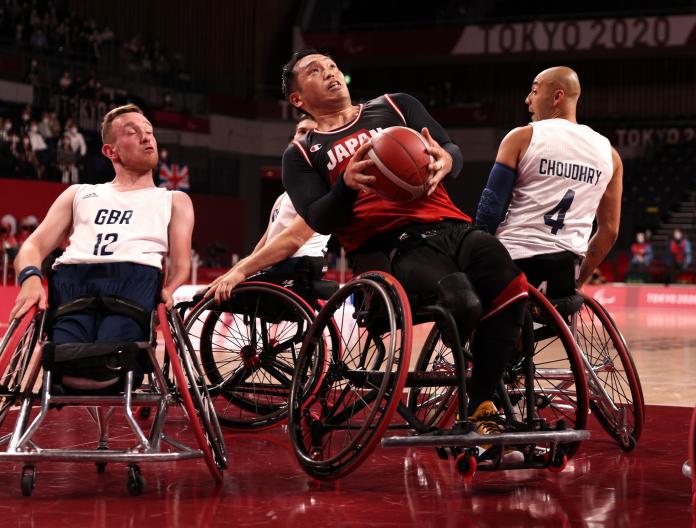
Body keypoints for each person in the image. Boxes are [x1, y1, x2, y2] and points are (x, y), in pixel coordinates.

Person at [280, 49, 528, 433]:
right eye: (315, 71)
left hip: (451, 226)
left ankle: (481, 406)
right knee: (463, 300)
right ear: (297, 99)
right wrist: (344, 186)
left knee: (513, 287)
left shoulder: (396, 106)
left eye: (331, 65)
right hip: (391, 247)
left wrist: (446, 161)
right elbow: (319, 219)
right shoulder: (299, 155)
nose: (330, 72)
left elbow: (451, 150)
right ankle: (478, 384)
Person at [10, 104, 194, 358]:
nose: (146, 137)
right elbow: (32, 246)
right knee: (64, 362)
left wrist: (169, 290)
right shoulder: (78, 193)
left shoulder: (174, 200)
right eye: (132, 132)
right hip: (72, 282)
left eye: (149, 130)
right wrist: (30, 281)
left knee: (108, 363)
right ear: (111, 151)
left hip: (134, 281)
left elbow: (182, 264)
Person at [476, 66, 623, 299]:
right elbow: (610, 232)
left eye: (534, 91)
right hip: (564, 274)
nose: (527, 100)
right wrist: (578, 280)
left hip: (512, 266)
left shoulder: (521, 137)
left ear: (557, 96)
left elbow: (489, 211)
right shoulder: (610, 155)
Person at [205, 114, 330, 303]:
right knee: (208, 294)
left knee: (221, 297)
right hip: (276, 267)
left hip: (296, 268)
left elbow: (293, 240)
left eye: (313, 133)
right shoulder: (283, 196)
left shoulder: (322, 186)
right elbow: (260, 249)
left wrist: (240, 273)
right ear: (291, 142)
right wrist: (228, 275)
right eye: (301, 131)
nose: (305, 136)